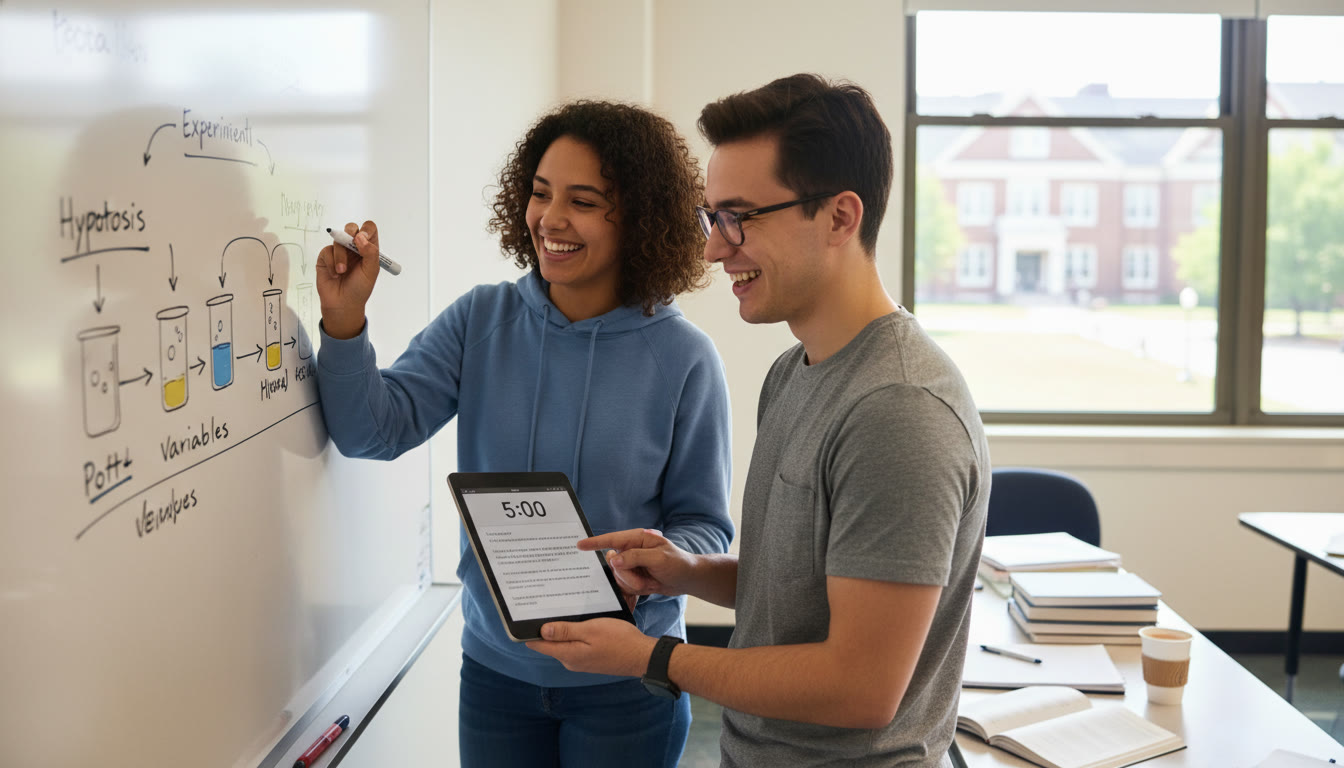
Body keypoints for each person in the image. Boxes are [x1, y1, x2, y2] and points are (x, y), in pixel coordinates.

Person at [528, 74, 990, 767]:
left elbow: (862, 687)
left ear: (839, 217)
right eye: (710, 216)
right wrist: (689, 572)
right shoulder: (795, 371)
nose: (715, 249)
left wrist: (655, 657)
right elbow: (803, 589)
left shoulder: (898, 410)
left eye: (739, 217)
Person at [313, 100, 734, 768]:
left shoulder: (684, 358)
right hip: (495, 676)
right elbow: (372, 432)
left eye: (584, 200)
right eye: (540, 194)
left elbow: (706, 528)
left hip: (627, 681)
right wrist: (343, 321)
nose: (551, 219)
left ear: (640, 218)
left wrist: (655, 562)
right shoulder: (481, 320)